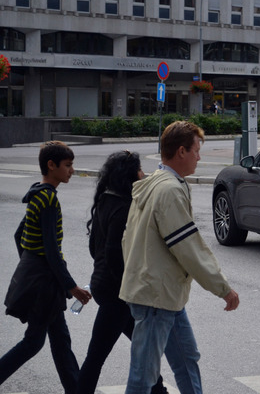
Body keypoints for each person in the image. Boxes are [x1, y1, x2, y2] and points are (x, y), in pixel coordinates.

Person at [120, 121, 240, 394]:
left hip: (164, 293)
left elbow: (127, 239)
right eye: (197, 150)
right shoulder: (169, 190)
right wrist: (223, 289)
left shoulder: (155, 183)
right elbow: (189, 248)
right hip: (155, 297)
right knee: (143, 377)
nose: (200, 157)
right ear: (181, 151)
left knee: (186, 360)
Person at [1, 141, 92, 393]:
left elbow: (20, 235)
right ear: (51, 166)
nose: (72, 170)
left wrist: (30, 261)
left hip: (43, 280)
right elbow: (52, 252)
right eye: (68, 165)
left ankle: (76, 389)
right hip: (45, 285)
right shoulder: (49, 200)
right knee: (33, 343)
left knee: (61, 341)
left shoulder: (37, 194)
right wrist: (72, 287)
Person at [76, 151, 168, 394]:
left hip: (105, 286)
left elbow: (94, 247)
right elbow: (115, 253)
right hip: (118, 292)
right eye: (139, 169)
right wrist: (128, 286)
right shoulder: (125, 206)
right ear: (129, 174)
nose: (143, 173)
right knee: (96, 356)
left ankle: (160, 391)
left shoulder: (106, 199)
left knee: (143, 350)